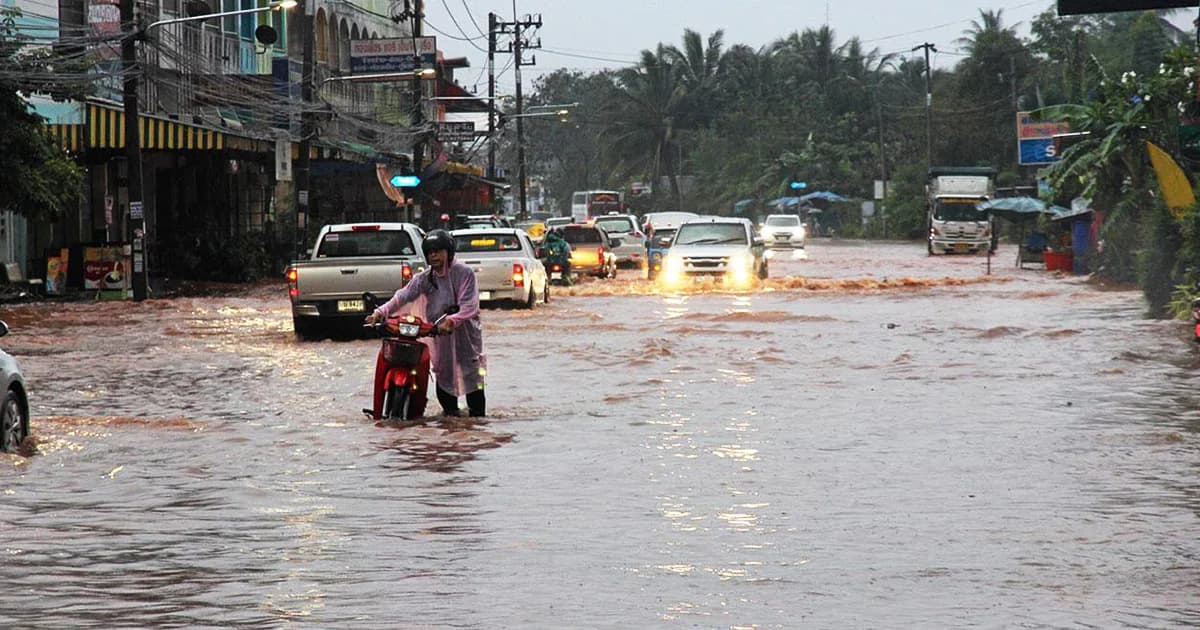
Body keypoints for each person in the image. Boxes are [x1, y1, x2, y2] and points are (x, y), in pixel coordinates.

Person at [365, 230, 486, 417]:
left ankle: (477, 421)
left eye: (438, 251)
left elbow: (469, 305)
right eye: (430, 252)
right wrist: (380, 312)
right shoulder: (424, 278)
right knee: (443, 375)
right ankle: (450, 420)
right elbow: (403, 296)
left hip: (465, 336)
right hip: (439, 334)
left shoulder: (464, 273)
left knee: (472, 376)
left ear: (449, 252)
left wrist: (452, 321)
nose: (434, 256)